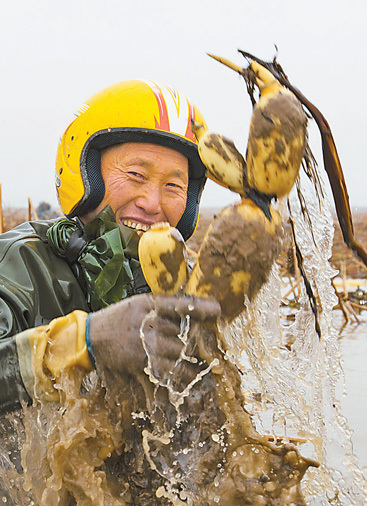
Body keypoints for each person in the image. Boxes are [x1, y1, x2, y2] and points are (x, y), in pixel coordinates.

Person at [0, 80, 220, 413]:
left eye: (174, 185)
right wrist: (85, 342)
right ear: (87, 175)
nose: (151, 202)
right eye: (135, 174)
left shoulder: (187, 287)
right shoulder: (22, 262)